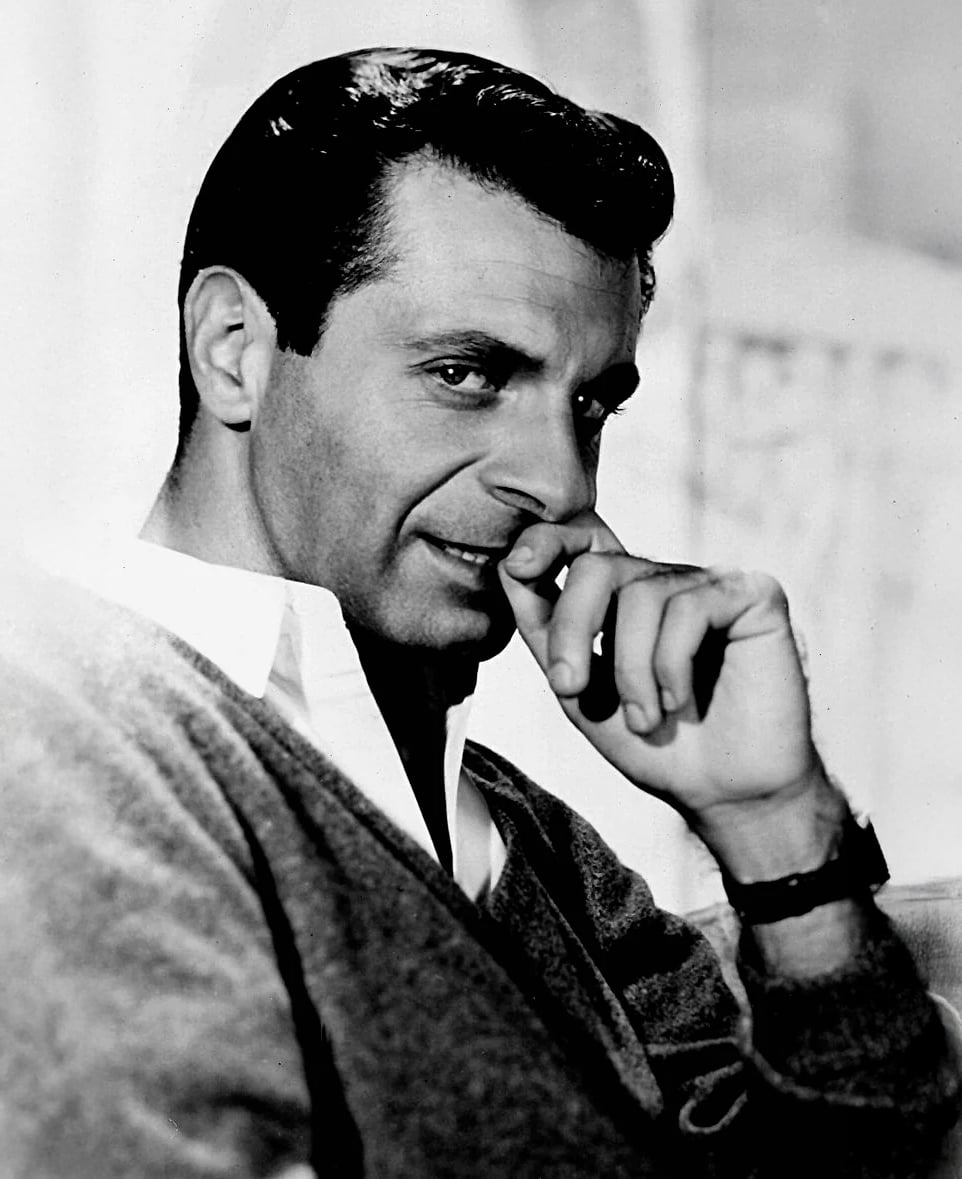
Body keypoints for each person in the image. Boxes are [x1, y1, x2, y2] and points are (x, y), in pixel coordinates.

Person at [0, 47, 958, 1178]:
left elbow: (862, 1163)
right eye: (466, 374)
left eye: (590, 402)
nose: (557, 483)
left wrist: (770, 822)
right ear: (235, 353)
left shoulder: (528, 839)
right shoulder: (63, 728)